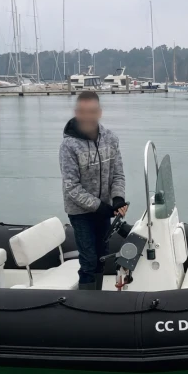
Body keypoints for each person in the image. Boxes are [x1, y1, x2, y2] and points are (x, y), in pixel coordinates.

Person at [59, 91, 127, 290]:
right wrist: (100, 207)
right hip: (80, 213)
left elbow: (118, 174)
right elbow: (71, 186)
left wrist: (118, 199)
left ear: (99, 113)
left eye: (91, 112)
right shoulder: (68, 146)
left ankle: (97, 299)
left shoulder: (111, 139)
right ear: (76, 113)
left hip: (104, 211)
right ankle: (86, 307)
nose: (87, 116)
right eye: (82, 112)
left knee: (101, 256)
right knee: (88, 260)